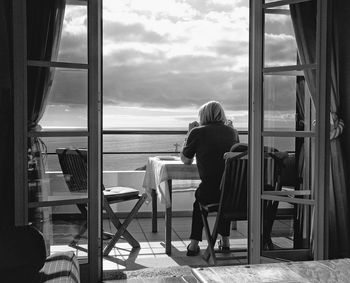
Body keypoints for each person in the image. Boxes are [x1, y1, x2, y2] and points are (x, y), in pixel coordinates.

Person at [180, 101, 240, 256]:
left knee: (200, 201)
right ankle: (225, 241)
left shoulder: (197, 132)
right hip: (235, 192)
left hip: (209, 190)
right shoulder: (233, 132)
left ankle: (193, 245)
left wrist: (188, 135)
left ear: (203, 115)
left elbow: (186, 160)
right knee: (225, 196)